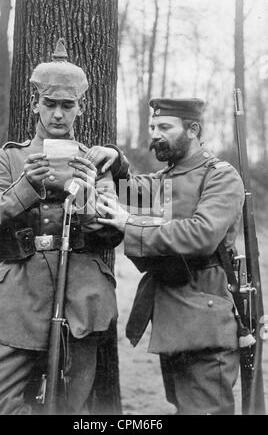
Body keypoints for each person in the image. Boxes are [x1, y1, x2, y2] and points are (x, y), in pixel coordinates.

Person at [0, 38, 122, 415]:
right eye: (49, 104)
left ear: (80, 109)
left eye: (66, 106)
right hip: (16, 299)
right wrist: (25, 187)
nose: (57, 115)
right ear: (36, 103)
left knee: (68, 409)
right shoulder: (12, 157)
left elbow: (113, 231)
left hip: (80, 300)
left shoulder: (94, 161)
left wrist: (87, 197)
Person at [87, 97, 245, 415]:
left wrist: (129, 222)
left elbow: (201, 234)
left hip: (205, 321)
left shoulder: (220, 176)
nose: (155, 134)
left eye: (164, 127)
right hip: (173, 319)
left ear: (193, 129)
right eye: (152, 127)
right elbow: (129, 188)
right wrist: (115, 159)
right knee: (183, 406)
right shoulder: (165, 180)